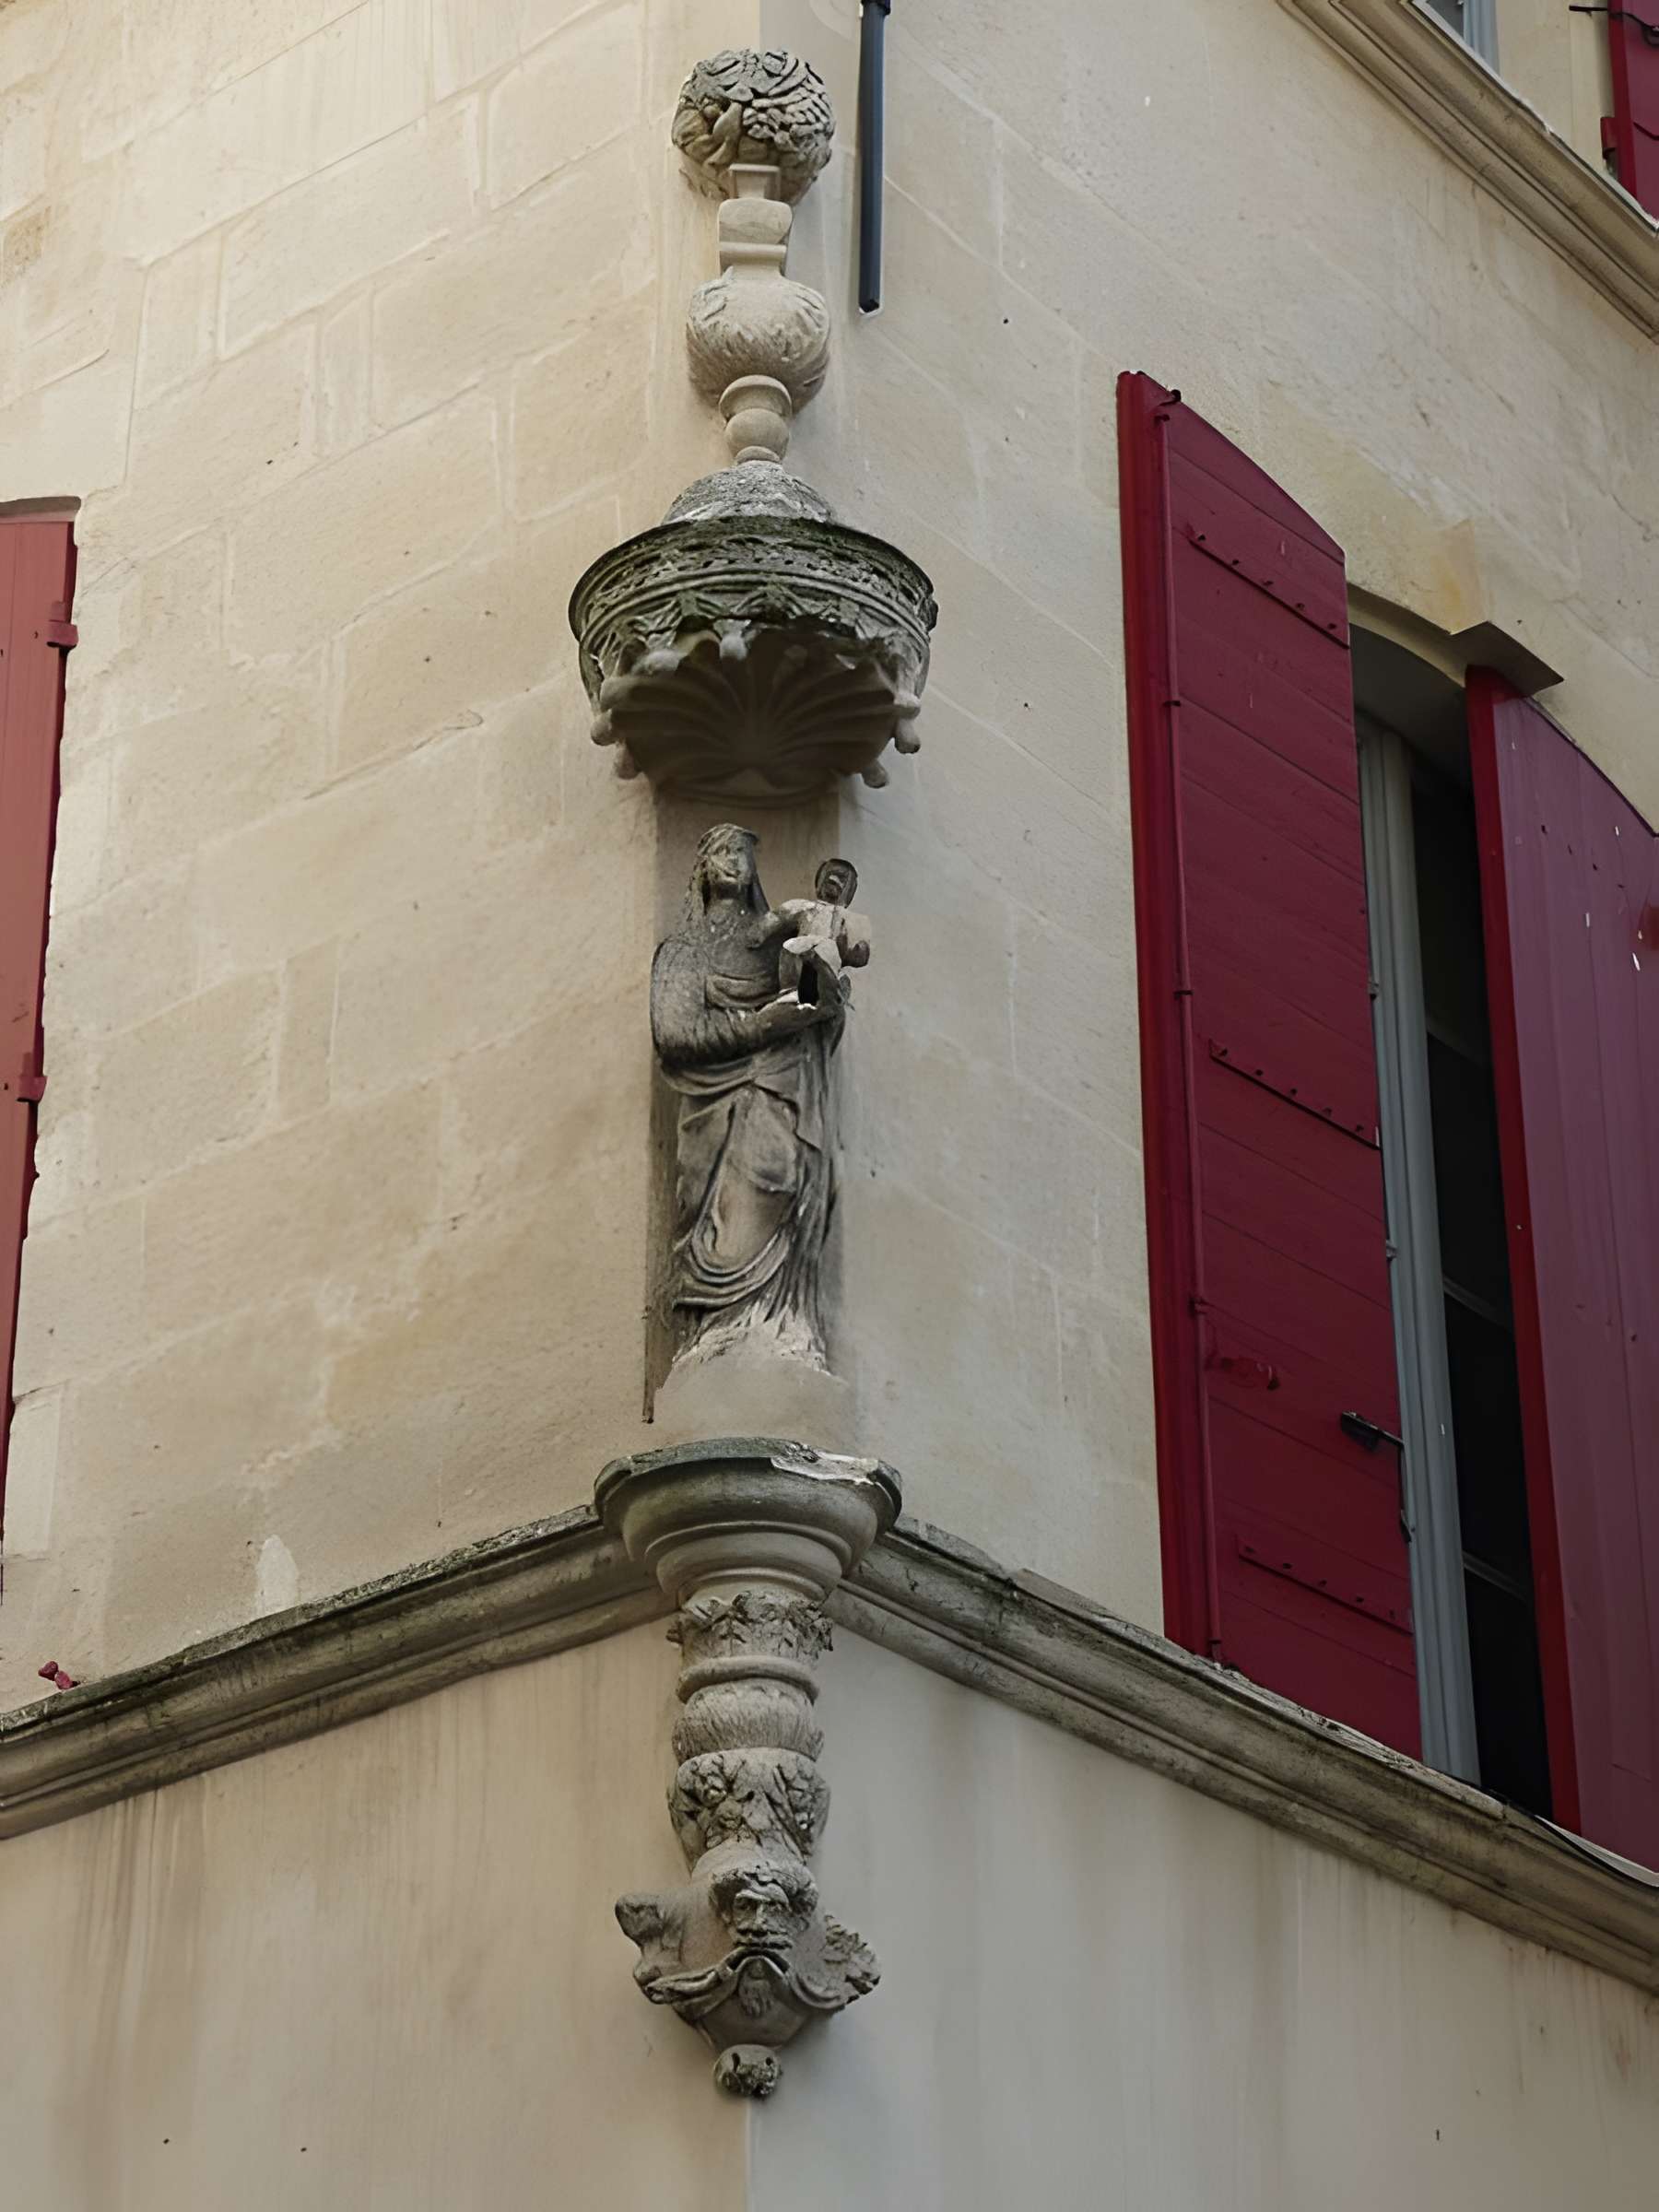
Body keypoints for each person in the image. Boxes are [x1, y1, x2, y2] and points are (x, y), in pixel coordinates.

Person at [651, 827, 853, 1367]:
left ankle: (782, 1325)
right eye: (721, 852)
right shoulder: (685, 951)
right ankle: (720, 1335)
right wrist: (762, 1025)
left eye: (742, 853)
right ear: (702, 869)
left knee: (784, 1182)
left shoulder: (775, 945)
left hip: (787, 1092)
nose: (734, 862)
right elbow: (675, 1034)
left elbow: (812, 1003)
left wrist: (823, 988)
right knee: (731, 1214)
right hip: (721, 1110)